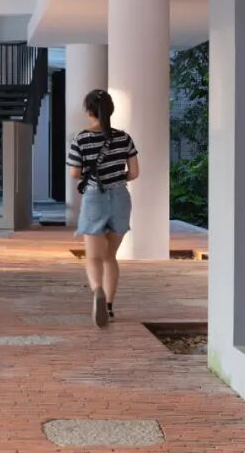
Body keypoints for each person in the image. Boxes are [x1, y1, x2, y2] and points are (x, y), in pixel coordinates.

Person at [66, 89, 140, 328]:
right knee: (110, 256)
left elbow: (74, 173)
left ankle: (97, 290)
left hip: (94, 198)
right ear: (110, 111)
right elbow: (134, 173)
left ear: (89, 111)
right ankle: (108, 306)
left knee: (94, 257)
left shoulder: (81, 139)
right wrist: (116, 178)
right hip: (120, 198)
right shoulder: (124, 138)